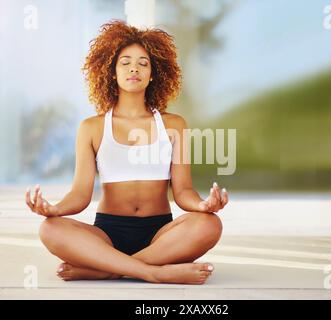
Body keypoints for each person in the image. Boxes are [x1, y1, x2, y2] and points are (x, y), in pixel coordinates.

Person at [25, 20, 228, 285]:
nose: (134, 68)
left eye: (143, 63)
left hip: (160, 234)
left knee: (209, 224)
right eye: (125, 62)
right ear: (112, 71)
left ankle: (106, 269)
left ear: (154, 74)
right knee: (50, 229)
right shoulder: (92, 127)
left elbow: (183, 191)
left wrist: (203, 205)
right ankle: (154, 271)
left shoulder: (173, 125)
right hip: (108, 233)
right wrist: (54, 208)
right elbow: (80, 194)